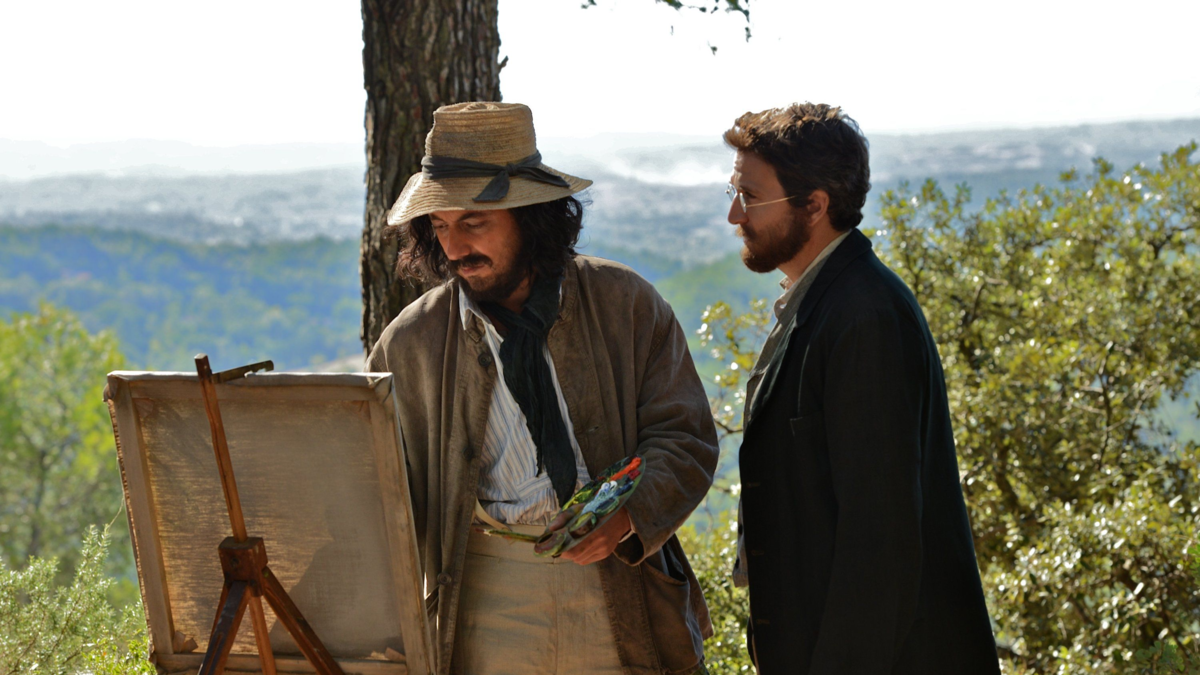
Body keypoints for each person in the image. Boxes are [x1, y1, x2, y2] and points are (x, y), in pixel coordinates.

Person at [366, 101, 717, 675]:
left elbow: (686, 437)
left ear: (531, 217)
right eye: (440, 226)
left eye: (473, 222)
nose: (454, 248)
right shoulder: (410, 343)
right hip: (486, 599)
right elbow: (376, 488)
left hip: (622, 585)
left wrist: (626, 517)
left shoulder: (623, 302)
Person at [725, 103, 1000, 674]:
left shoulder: (866, 317)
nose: (734, 214)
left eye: (750, 196)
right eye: (734, 192)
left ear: (815, 205)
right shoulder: (827, 301)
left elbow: (880, 541)